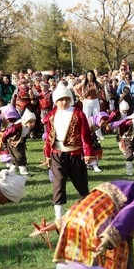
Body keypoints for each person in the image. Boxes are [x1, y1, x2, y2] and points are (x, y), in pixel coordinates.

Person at [44, 82, 94, 221]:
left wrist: (88, 152)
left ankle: (89, 210)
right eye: (61, 100)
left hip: (75, 154)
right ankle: (59, 215)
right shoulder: (51, 116)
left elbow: (85, 135)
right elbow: (49, 137)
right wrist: (48, 154)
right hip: (57, 154)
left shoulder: (78, 114)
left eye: (66, 99)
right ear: (56, 101)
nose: (64, 102)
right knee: (58, 183)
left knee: (81, 183)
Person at [1, 108, 37, 175]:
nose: (32, 124)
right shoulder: (17, 126)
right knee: (19, 156)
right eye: (30, 122)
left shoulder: (28, 127)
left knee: (19, 156)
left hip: (20, 142)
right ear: (25, 121)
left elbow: (24, 135)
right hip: (12, 142)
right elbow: (7, 133)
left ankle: (11, 170)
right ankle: (23, 171)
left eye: (34, 121)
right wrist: (3, 141)